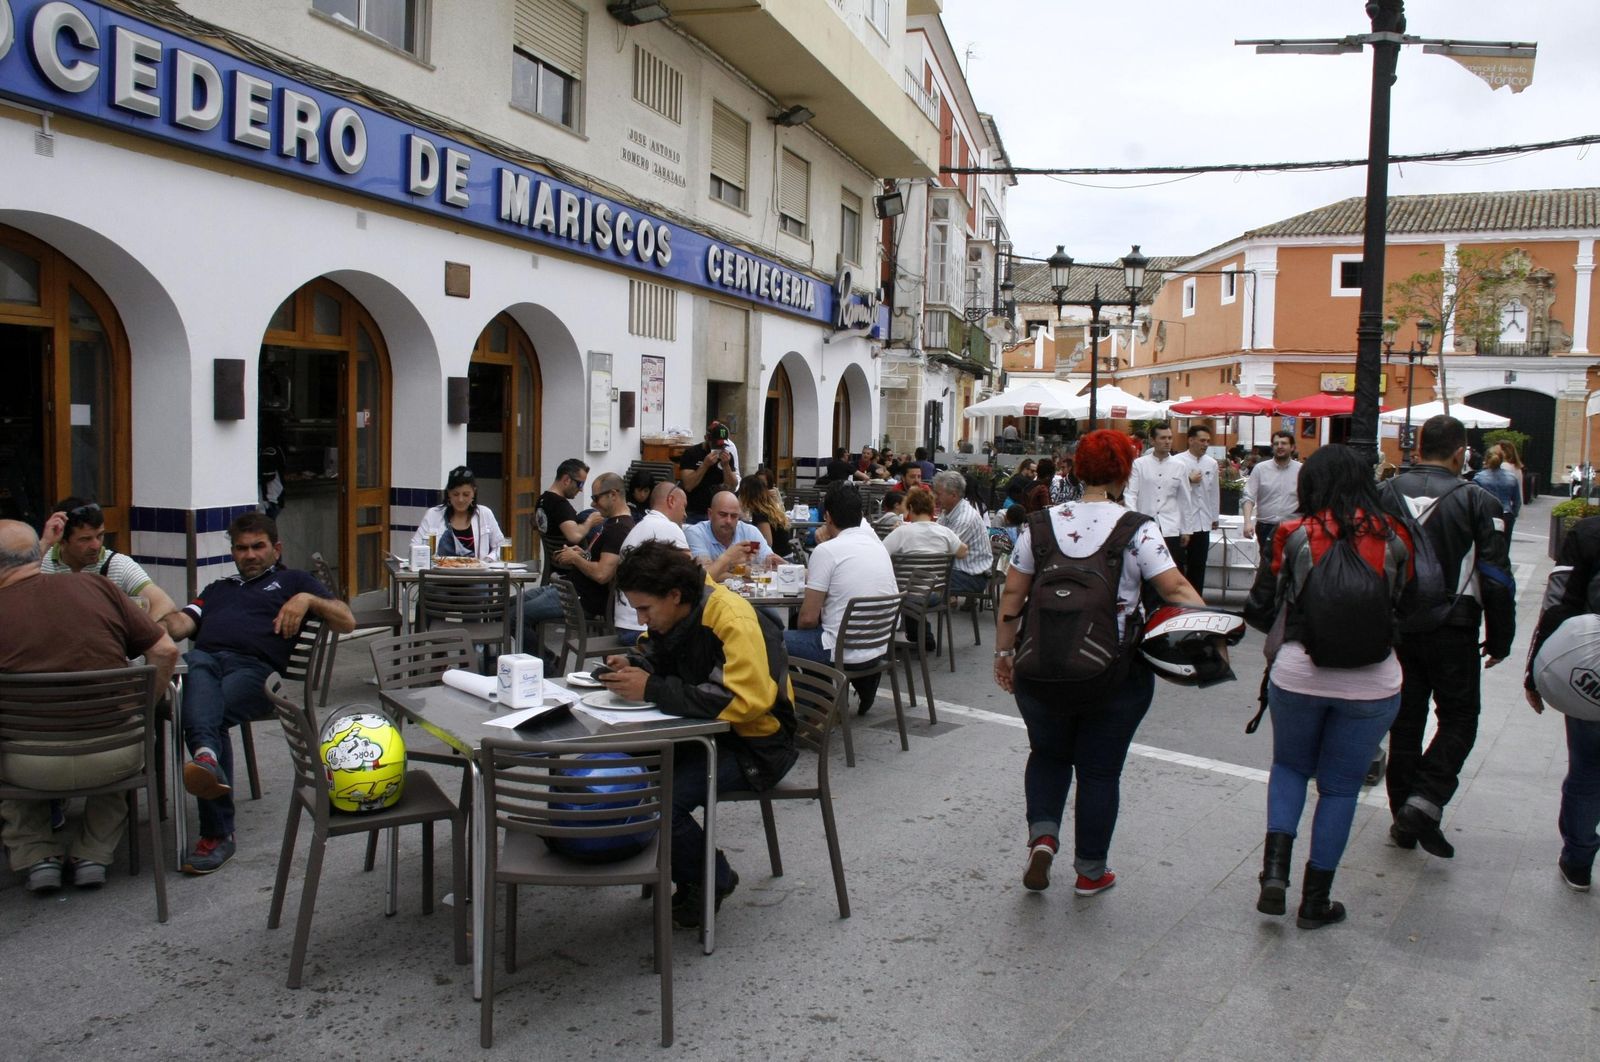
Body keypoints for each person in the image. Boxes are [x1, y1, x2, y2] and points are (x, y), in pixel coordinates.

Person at [993, 430, 1207, 897]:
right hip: (1114, 671)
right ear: (1124, 472)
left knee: (1047, 755)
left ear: (1076, 468)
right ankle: (1090, 871)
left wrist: (1004, 653)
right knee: (1099, 771)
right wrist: (1214, 628)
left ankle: (1044, 836)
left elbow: (1013, 593)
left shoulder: (1038, 524)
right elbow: (1173, 588)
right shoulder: (1137, 528)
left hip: (1041, 664)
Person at [1244, 445, 1414, 929]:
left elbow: (1259, 606)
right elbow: (1413, 604)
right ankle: (1316, 901)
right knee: (1340, 789)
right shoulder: (1396, 535)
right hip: (1374, 682)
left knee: (1291, 767)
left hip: (1299, 673)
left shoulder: (1294, 533)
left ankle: (1274, 874)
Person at [600, 541, 796, 926]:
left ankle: (712, 878)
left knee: (659, 798)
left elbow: (742, 701)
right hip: (707, 735)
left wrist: (652, 689)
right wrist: (636, 662)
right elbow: (658, 649)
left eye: (644, 609)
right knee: (626, 772)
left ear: (674, 595)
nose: (641, 620)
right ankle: (686, 869)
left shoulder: (730, 617)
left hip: (757, 746)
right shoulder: (679, 612)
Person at [156, 513, 355, 875]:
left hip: (254, 672)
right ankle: (206, 760)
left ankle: (216, 827)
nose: (249, 554)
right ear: (232, 552)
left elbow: (346, 620)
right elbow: (182, 624)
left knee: (198, 708)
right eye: (241, 548)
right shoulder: (218, 589)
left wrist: (308, 599)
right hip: (205, 665)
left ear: (276, 548)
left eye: (258, 546)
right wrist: (154, 621)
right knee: (196, 662)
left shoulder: (293, 580)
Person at [0, 520, 180, 893]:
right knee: (122, 728)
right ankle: (92, 854)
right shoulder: (96, 585)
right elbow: (165, 651)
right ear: (40, 555)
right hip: (115, 755)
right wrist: (140, 713)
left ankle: (37, 857)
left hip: (27, 766)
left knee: (10, 740)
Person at [1380, 415, 1514, 859]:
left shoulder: (1384, 493)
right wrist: (1501, 636)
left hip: (1397, 628)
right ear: (1461, 453)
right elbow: (1495, 576)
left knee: (1406, 723)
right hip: (1454, 626)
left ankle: (1407, 814)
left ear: (1418, 446)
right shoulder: (1478, 500)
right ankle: (1425, 800)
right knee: (1459, 717)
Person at [1525, 513, 1600, 890]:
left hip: (1593, 671)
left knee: (1587, 771)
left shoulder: (1590, 532)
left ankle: (1579, 859)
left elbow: (1559, 603)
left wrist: (1535, 672)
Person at [785, 483, 900, 711]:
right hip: (878, 647)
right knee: (804, 632)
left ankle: (818, 703)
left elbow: (808, 619)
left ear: (827, 517)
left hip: (842, 650)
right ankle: (840, 690)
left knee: (770, 639)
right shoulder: (878, 547)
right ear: (861, 515)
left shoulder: (827, 551)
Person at [522, 471, 634, 631]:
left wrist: (575, 559)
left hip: (579, 599)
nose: (593, 504)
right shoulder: (612, 523)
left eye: (596, 498)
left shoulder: (619, 529)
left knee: (518, 615)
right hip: (570, 590)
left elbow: (602, 574)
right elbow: (600, 560)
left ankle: (543, 657)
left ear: (613, 495)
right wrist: (583, 553)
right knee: (513, 603)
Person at [38, 497, 177, 619]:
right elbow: (16, 596)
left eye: (100, 535)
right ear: (62, 540)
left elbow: (164, 603)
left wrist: (140, 635)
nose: (96, 545)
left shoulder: (118, 564)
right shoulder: (41, 561)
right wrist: (45, 542)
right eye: (85, 539)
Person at [613, 481, 690, 646]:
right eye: (684, 506)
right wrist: (727, 559)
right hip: (642, 628)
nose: (685, 514)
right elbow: (695, 577)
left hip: (625, 624)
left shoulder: (642, 525)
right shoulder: (668, 527)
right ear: (671, 501)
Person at [1125, 423, 1190, 569]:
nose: (1167, 441)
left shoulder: (1180, 466)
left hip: (1171, 525)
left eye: (1170, 438)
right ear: (1152, 440)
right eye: (1163, 438)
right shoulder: (1139, 464)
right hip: (1145, 523)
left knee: (1171, 568)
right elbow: (1131, 494)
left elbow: (1184, 499)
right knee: (1145, 569)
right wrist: (1133, 522)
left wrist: (1186, 529)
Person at [410, 465, 506, 561]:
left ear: (474, 492)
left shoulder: (485, 514)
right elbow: (414, 546)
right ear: (448, 493)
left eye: (466, 495)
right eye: (455, 494)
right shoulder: (433, 514)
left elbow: (501, 546)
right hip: (440, 574)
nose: (460, 500)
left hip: (476, 574)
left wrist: (488, 560)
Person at [686, 490, 781, 580]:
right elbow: (704, 576)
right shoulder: (696, 533)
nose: (728, 521)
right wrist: (736, 567)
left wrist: (723, 568)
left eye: (734, 516)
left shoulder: (750, 532)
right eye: (723, 515)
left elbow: (769, 570)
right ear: (710, 514)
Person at [933, 470, 994, 596]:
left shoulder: (965, 518)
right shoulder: (949, 510)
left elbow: (942, 549)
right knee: (918, 577)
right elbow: (936, 536)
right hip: (958, 571)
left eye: (939, 494)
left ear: (953, 495)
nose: (935, 497)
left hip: (972, 577)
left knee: (920, 579)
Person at [538, 459, 601, 578]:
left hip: (557, 566)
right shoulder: (559, 505)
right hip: (573, 571)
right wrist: (590, 521)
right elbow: (574, 536)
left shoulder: (542, 500)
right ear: (567, 480)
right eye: (580, 484)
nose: (581, 489)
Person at [1176, 426, 1220, 593]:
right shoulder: (1178, 461)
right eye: (1202, 440)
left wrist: (1214, 516)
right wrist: (1188, 480)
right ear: (1191, 440)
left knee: (1199, 564)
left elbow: (1214, 491)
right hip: (1183, 521)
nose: (1206, 444)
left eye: (1208, 441)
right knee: (1179, 563)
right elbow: (1173, 489)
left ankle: (1196, 598)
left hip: (1203, 520)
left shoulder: (1212, 463)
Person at [1242, 431, 1302, 549]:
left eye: (1284, 443)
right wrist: (1247, 522)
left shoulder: (1301, 470)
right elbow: (1248, 497)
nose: (1279, 446)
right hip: (1266, 527)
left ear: (1293, 447)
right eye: (1276, 443)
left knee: (1291, 565)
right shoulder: (1260, 469)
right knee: (1267, 564)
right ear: (1272, 447)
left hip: (1293, 527)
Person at [678, 421, 740, 522]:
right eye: (715, 444)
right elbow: (688, 485)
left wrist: (726, 466)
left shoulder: (727, 456)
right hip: (695, 512)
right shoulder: (691, 453)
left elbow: (732, 487)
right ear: (706, 438)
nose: (718, 448)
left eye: (722, 445)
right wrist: (705, 465)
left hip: (719, 512)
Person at [882, 488, 967, 560]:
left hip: (906, 579)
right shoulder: (945, 532)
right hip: (937, 579)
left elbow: (881, 553)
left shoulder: (901, 532)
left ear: (911, 508)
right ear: (932, 509)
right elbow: (963, 553)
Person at [1473, 445, 1522, 542]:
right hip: (1506, 515)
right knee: (1504, 547)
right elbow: (1517, 501)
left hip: (1486, 515)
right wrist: (1513, 514)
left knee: (1485, 546)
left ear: (1487, 459)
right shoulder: (1511, 478)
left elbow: (1474, 501)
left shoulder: (1479, 478)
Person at [737, 474, 793, 558]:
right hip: (786, 556)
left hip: (779, 560)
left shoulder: (759, 513)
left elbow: (767, 542)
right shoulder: (769, 508)